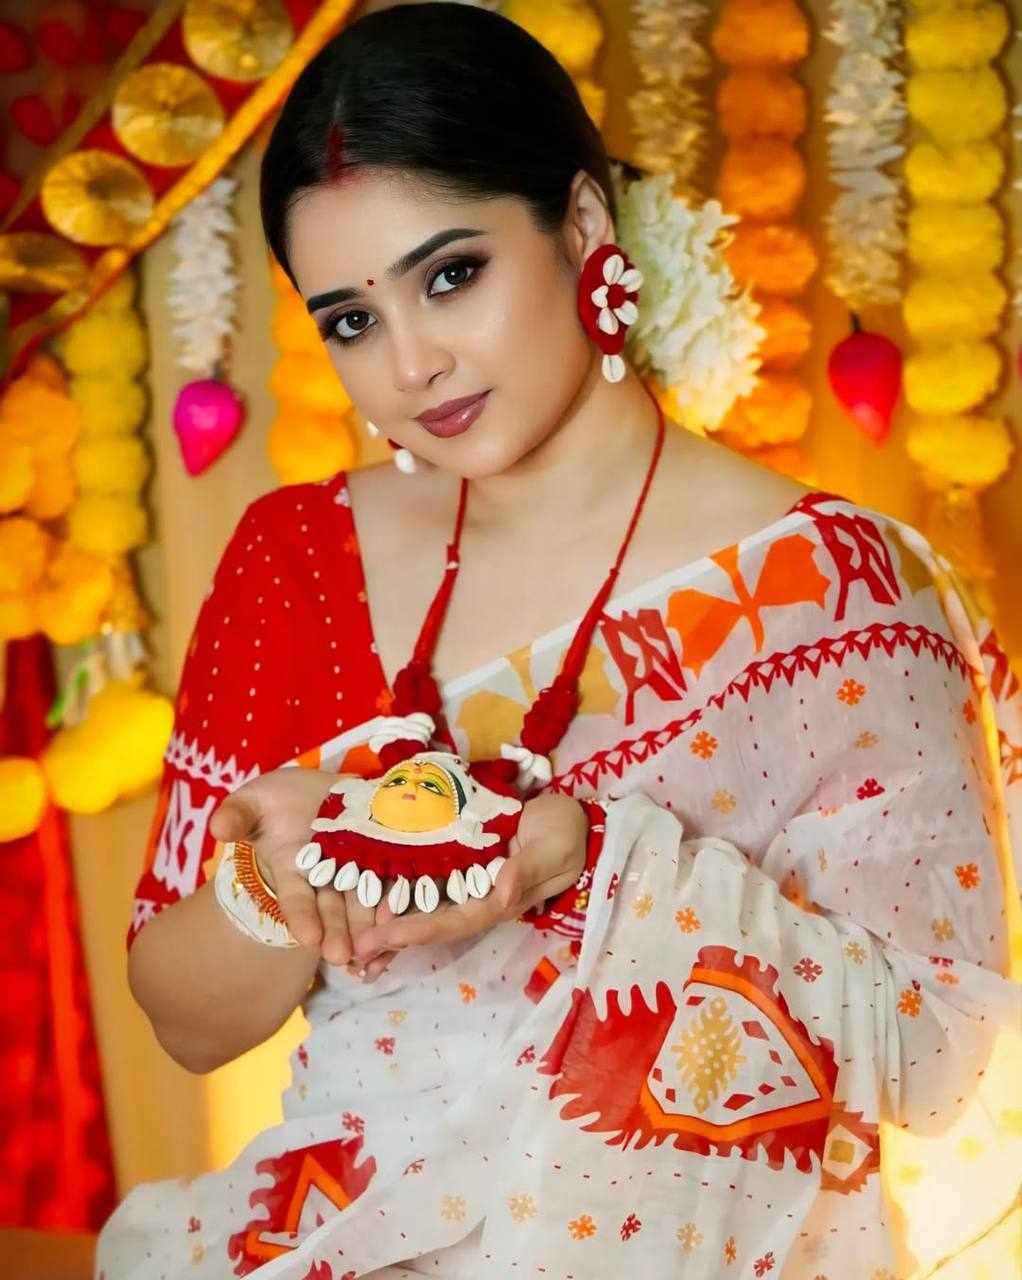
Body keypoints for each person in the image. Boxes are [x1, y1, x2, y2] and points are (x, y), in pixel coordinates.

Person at [97, 5, 1021, 1278]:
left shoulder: (832, 586)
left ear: (581, 227)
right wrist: (278, 880)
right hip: (334, 1241)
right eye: (351, 319)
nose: (411, 363)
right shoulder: (300, 558)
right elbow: (186, 1020)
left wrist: (591, 870)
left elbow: (941, 1047)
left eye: (448, 275)